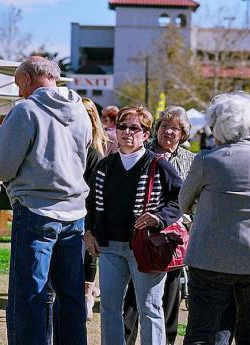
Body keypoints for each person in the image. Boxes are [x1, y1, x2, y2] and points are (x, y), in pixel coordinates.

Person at [0, 56, 91, 345]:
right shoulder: (80, 110)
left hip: (36, 209)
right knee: (70, 298)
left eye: (19, 84)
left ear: (29, 79)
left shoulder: (26, 109)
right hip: (74, 212)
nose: (19, 92)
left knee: (29, 296)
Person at [180, 92, 250, 345]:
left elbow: (183, 202)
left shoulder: (206, 160)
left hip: (210, 258)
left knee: (202, 331)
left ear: (219, 126)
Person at [84, 105, 182, 345]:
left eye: (134, 128)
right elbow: (89, 203)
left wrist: (159, 217)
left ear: (146, 134)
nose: (127, 132)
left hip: (144, 246)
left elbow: (181, 199)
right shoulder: (105, 165)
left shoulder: (158, 164)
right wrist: (88, 232)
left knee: (149, 307)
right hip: (109, 247)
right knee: (108, 308)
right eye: (122, 127)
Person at [123, 105, 195, 345]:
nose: (169, 132)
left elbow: (193, 197)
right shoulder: (143, 153)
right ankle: (127, 338)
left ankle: (168, 340)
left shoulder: (189, 159)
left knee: (171, 292)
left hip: (174, 234)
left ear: (183, 134)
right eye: (164, 126)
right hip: (143, 231)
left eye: (175, 128)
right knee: (135, 292)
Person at [81, 97, 109, 321]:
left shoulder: (94, 153)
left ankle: (87, 297)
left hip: (88, 210)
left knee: (89, 255)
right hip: (73, 209)